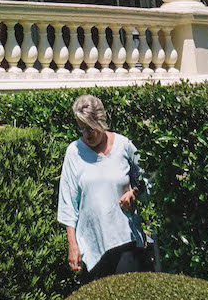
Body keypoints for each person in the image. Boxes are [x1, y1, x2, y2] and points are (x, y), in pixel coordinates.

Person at [57, 93, 150, 282]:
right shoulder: (74, 152)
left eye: (91, 128)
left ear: (101, 122)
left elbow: (147, 177)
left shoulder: (124, 146)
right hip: (93, 244)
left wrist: (135, 192)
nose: (87, 134)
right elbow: (68, 203)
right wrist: (72, 245)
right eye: (81, 129)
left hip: (125, 237)